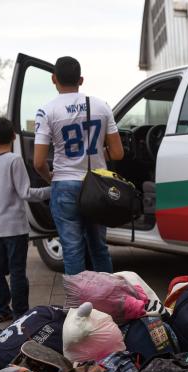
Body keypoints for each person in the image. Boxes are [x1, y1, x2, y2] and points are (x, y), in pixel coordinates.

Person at [33, 56, 124, 275]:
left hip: (64, 185)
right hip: (96, 186)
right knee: (99, 248)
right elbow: (118, 153)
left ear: (53, 79)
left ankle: (77, 304)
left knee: (72, 250)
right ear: (81, 80)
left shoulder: (46, 111)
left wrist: (50, 178)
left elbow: (38, 162)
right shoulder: (102, 107)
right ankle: (107, 298)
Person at [0, 117, 51, 323]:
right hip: (15, 229)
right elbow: (26, 193)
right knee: (17, 272)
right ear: (13, 136)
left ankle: (1, 310)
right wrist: (52, 190)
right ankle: (21, 313)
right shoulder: (14, 160)